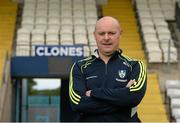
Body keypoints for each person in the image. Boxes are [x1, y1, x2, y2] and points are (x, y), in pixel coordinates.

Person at [69, 16, 147, 122]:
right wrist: (123, 99)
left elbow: (133, 98)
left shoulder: (135, 65)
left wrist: (94, 93)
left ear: (120, 34)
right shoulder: (80, 67)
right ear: (95, 36)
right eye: (101, 33)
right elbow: (78, 103)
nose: (106, 38)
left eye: (111, 33)